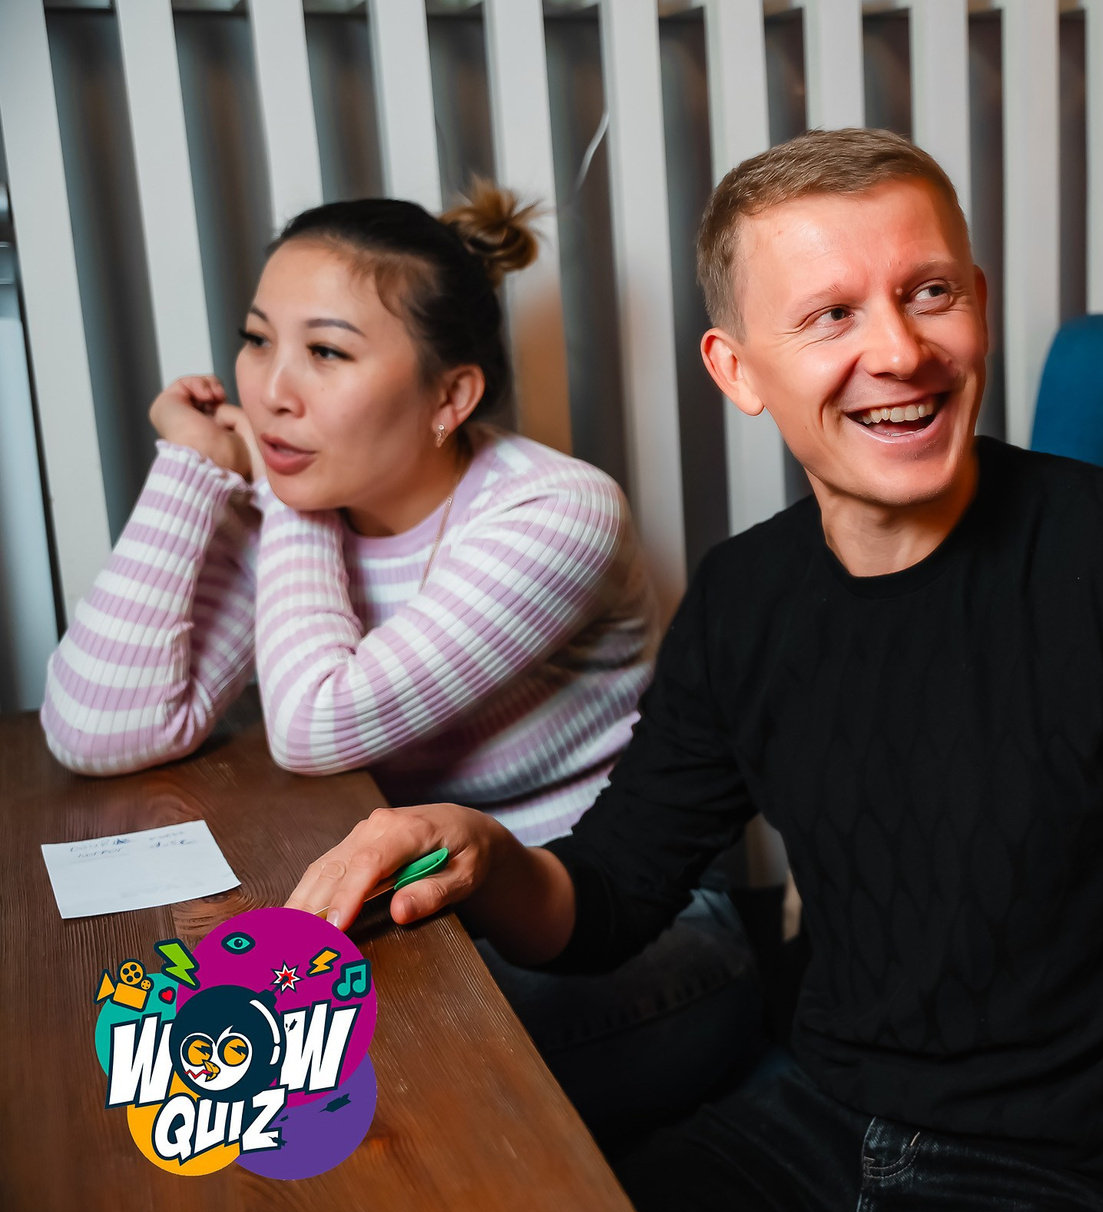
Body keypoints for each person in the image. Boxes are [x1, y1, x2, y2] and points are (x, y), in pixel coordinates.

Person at [287, 130, 1103, 1212]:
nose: (900, 351)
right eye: (831, 315)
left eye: (930, 293)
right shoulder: (746, 598)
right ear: (737, 370)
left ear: (979, 303)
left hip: (1086, 1185)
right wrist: (483, 851)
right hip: (818, 1132)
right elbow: (613, 898)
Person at [42, 186, 761, 1135]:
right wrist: (192, 469)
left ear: (450, 398)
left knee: (267, 1080)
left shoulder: (554, 513)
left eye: (326, 352)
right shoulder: (309, 486)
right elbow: (96, 730)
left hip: (618, 920)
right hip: (413, 905)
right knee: (150, 1049)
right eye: (257, 340)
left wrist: (287, 502)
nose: (271, 392)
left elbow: (314, 727)